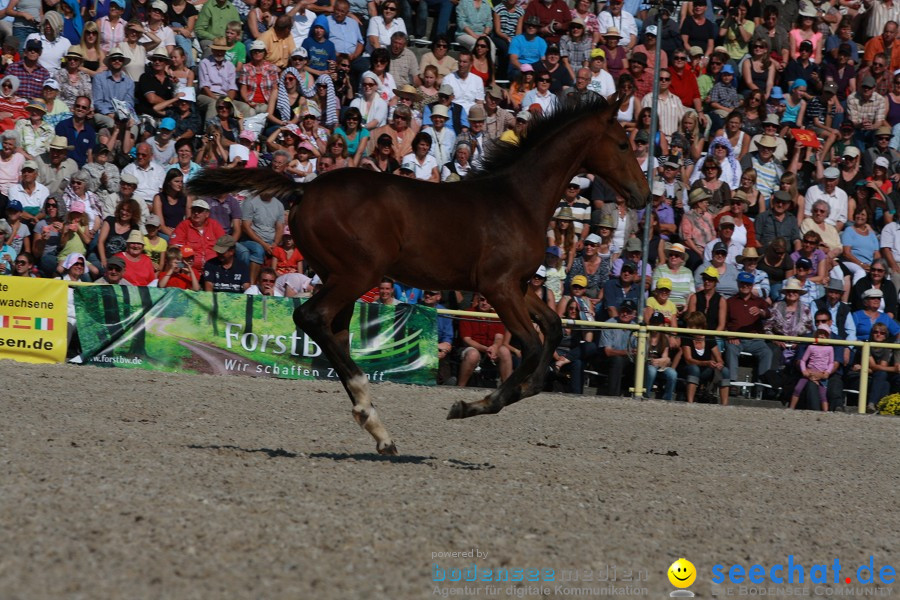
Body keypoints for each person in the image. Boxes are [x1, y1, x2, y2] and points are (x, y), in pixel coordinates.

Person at [725, 271, 772, 389]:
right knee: (730, 348)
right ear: (738, 283)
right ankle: (732, 383)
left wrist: (761, 311)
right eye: (742, 283)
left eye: (748, 284)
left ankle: (761, 386)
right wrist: (730, 335)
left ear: (752, 285)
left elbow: (769, 314)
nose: (745, 286)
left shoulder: (759, 301)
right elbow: (724, 322)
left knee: (767, 352)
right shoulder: (730, 301)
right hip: (736, 339)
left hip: (755, 339)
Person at [456, 293, 513, 387]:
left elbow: (499, 337)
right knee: (473, 354)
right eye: (482, 300)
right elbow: (467, 339)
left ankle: (507, 388)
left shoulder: (496, 316)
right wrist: (486, 349)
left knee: (505, 351)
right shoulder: (467, 313)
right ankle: (460, 387)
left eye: (488, 301)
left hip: (491, 347)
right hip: (471, 347)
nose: (485, 303)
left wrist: (494, 347)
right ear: (478, 301)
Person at [682, 311, 730, 404]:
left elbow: (719, 358)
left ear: (699, 326)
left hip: (706, 370)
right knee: (694, 368)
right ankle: (690, 402)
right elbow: (688, 360)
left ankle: (725, 404)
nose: (687, 328)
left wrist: (719, 364)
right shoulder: (686, 337)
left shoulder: (709, 337)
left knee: (725, 370)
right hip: (689, 369)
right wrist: (706, 363)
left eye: (690, 326)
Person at [169, 199, 226, 270]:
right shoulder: (183, 225)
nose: (196, 213)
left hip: (214, 268)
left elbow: (225, 245)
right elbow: (173, 248)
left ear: (207, 214)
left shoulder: (214, 225)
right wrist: (182, 266)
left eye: (200, 210)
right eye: (194, 210)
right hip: (190, 269)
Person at [241, 191, 284, 284]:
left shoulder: (279, 205)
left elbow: (280, 227)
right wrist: (264, 244)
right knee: (258, 249)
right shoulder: (250, 201)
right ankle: (251, 284)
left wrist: (275, 243)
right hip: (250, 239)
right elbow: (245, 226)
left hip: (271, 241)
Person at [599, 298, 637, 396]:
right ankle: (613, 396)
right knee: (617, 360)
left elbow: (638, 350)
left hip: (629, 360)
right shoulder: (608, 324)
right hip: (609, 360)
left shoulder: (637, 328)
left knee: (642, 362)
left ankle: (641, 395)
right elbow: (608, 352)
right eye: (623, 311)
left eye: (628, 311)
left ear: (634, 314)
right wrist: (628, 352)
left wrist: (633, 353)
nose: (625, 314)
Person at [644, 311, 677, 401]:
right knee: (651, 370)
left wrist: (658, 361)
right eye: (653, 323)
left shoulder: (664, 338)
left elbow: (666, 359)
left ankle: (667, 398)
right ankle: (645, 395)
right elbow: (642, 356)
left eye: (658, 323)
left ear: (662, 325)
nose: (655, 325)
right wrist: (657, 361)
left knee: (673, 373)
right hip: (647, 365)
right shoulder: (645, 336)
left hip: (658, 365)